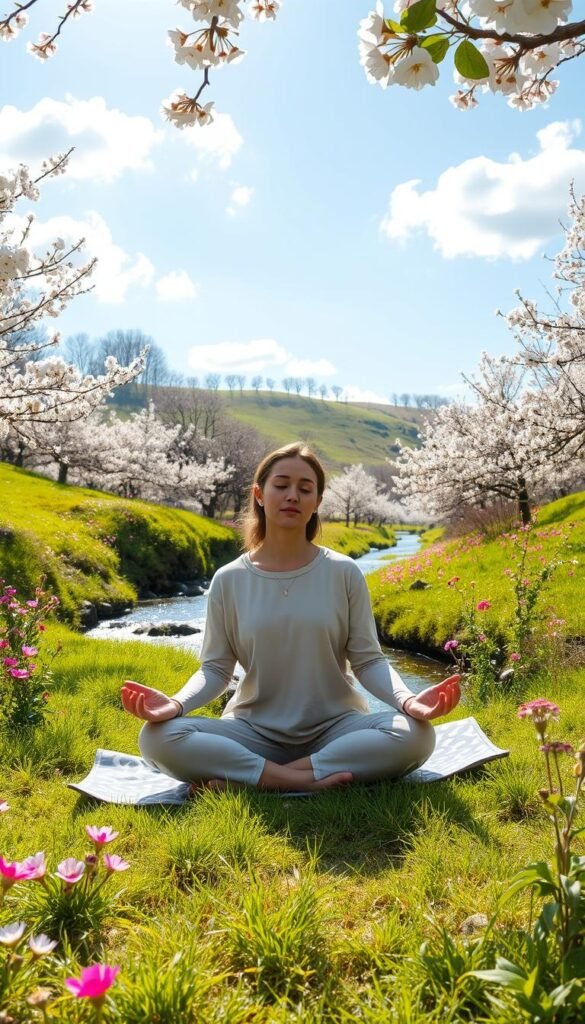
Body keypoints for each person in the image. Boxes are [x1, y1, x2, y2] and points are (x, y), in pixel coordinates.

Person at [121, 442, 460, 792]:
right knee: (156, 738)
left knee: (416, 734)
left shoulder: (344, 572)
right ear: (260, 494)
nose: (292, 496)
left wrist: (409, 700)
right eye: (281, 485)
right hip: (252, 731)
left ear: (317, 503)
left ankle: (253, 780)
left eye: (305, 489)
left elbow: (368, 660)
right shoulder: (228, 579)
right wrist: (175, 704)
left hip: (337, 730)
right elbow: (216, 670)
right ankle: (296, 781)